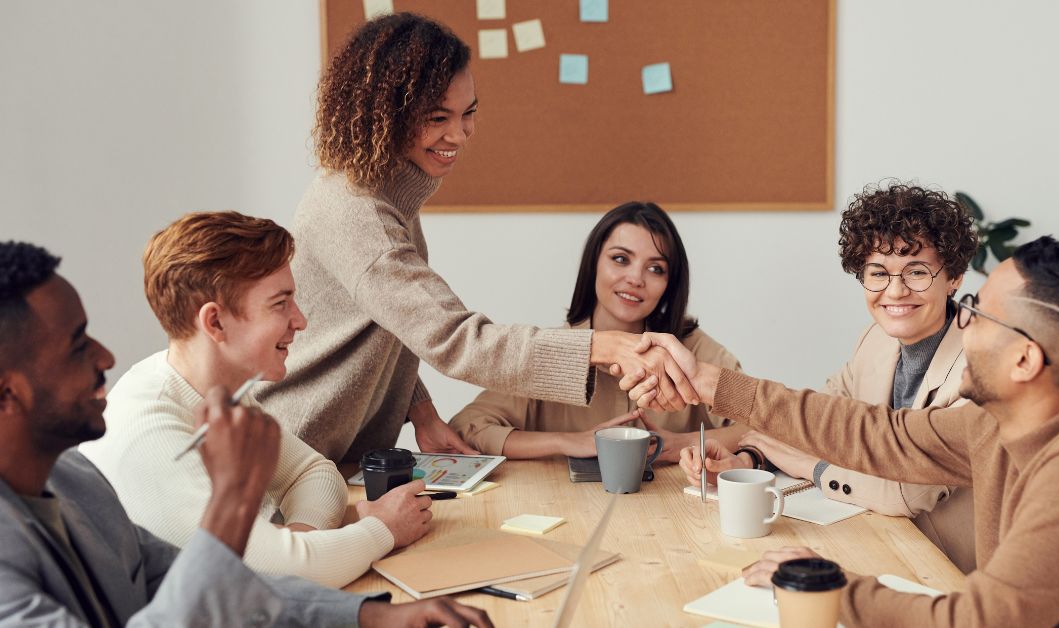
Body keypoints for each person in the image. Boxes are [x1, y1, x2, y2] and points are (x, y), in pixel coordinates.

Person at [625, 236, 1059, 626]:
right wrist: (711, 383)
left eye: (974, 312)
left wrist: (831, 587)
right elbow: (877, 434)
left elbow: (977, 621)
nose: (960, 322)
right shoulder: (1002, 423)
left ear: (1024, 360)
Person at [257, 13, 696, 466]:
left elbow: (393, 324)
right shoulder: (358, 213)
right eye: (437, 117)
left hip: (338, 458)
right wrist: (598, 347)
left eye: (468, 113)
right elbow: (455, 338)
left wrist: (421, 411)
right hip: (295, 455)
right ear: (386, 116)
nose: (459, 134)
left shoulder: (386, 195)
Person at [0, 241, 491, 627]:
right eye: (76, 345)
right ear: (7, 394)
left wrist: (368, 615)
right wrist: (234, 500)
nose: (106, 357)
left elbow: (210, 584)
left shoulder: (74, 478)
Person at [80, 212, 431, 588]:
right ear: (214, 323)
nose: (300, 321)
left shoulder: (217, 391)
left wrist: (298, 544)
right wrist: (382, 529)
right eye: (280, 304)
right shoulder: (150, 431)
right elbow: (267, 576)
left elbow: (314, 473)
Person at [679, 183, 980, 571]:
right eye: (878, 273)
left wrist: (813, 468)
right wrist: (748, 458)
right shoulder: (875, 340)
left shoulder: (978, 367)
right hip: (880, 544)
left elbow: (906, 493)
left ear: (953, 276)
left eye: (917, 272)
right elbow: (815, 420)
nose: (895, 290)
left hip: (951, 571)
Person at [449, 202, 742, 462]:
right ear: (594, 265)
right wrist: (569, 441)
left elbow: (767, 425)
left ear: (670, 284)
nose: (635, 278)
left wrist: (687, 443)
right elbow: (467, 428)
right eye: (620, 259)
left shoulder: (694, 350)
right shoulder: (551, 352)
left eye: (655, 269)